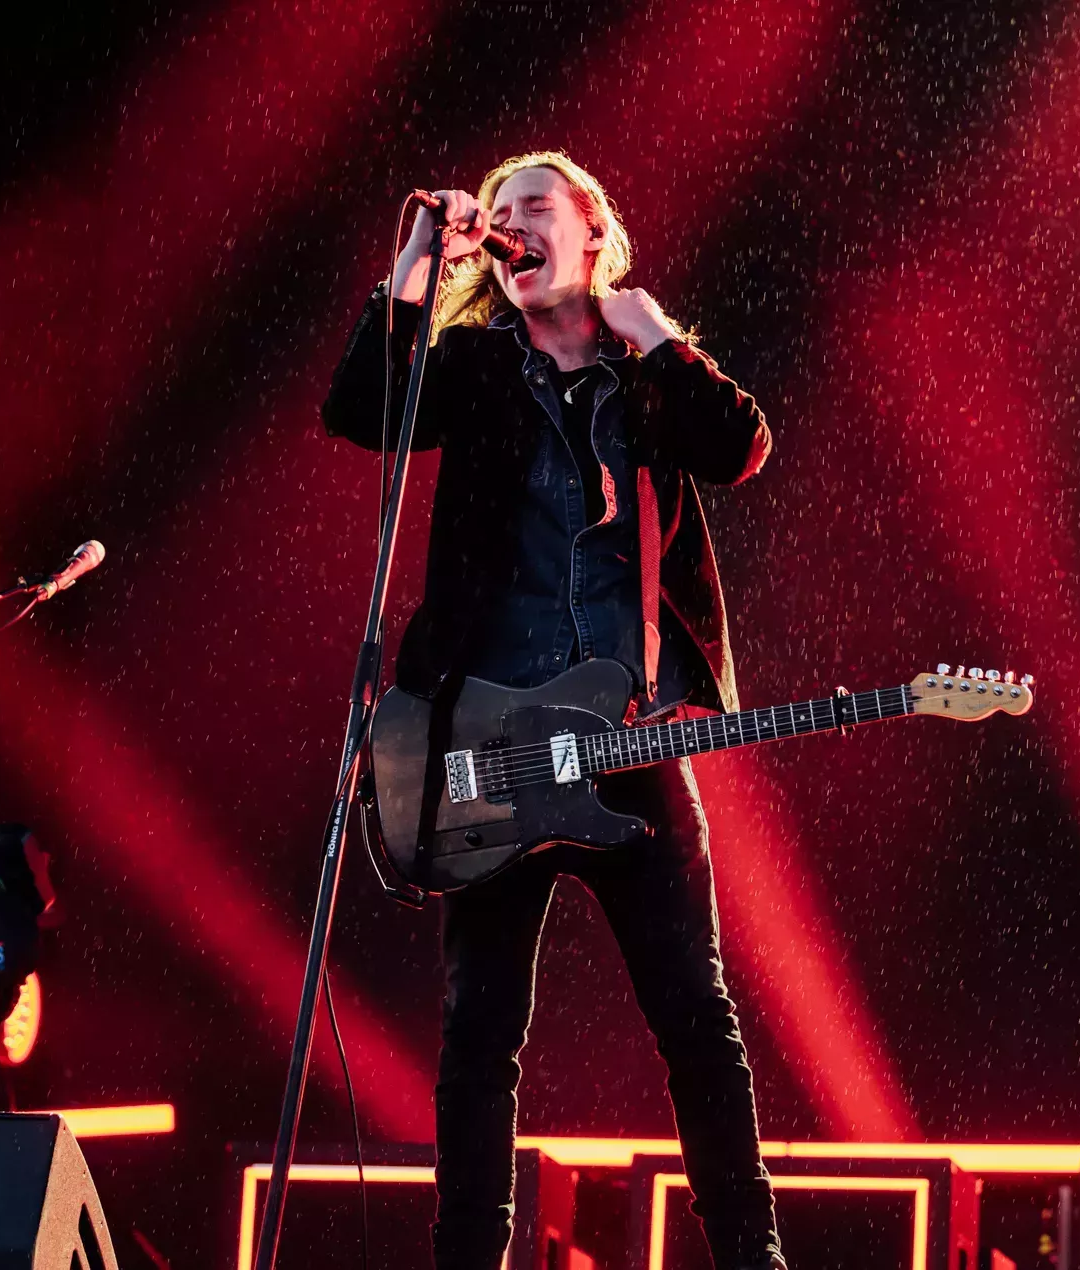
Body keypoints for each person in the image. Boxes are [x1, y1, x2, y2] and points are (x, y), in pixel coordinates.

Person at [322, 151, 784, 1270]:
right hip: (487, 739)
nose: (515, 223)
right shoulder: (474, 365)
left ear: (591, 234)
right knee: (479, 1034)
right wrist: (417, 260)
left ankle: (750, 1255)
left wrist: (660, 333)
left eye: (538, 207)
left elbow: (740, 447)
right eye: (505, 211)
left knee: (697, 1019)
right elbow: (357, 411)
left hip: (629, 738)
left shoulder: (642, 377)